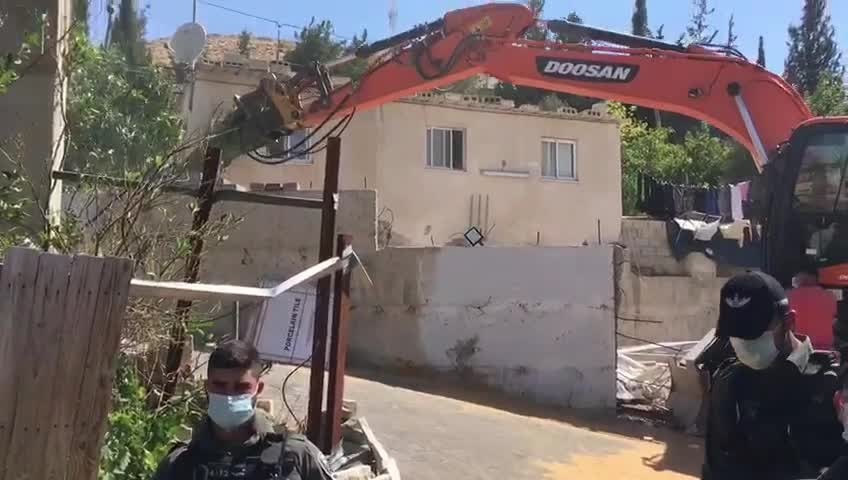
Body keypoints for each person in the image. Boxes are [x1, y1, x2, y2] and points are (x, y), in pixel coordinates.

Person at [701, 271, 844, 480]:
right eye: (736, 334)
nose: (745, 344)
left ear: (789, 322)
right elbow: (718, 468)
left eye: (755, 334)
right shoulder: (730, 383)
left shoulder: (832, 384)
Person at [152, 340, 334, 480]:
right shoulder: (179, 464)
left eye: (241, 387)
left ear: (258, 388)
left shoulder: (296, 455)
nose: (229, 395)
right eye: (220, 385)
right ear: (207, 387)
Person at [788, 264, 837, 350]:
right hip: (824, 347)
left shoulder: (789, 295)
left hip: (798, 347)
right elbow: (833, 320)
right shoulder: (830, 296)